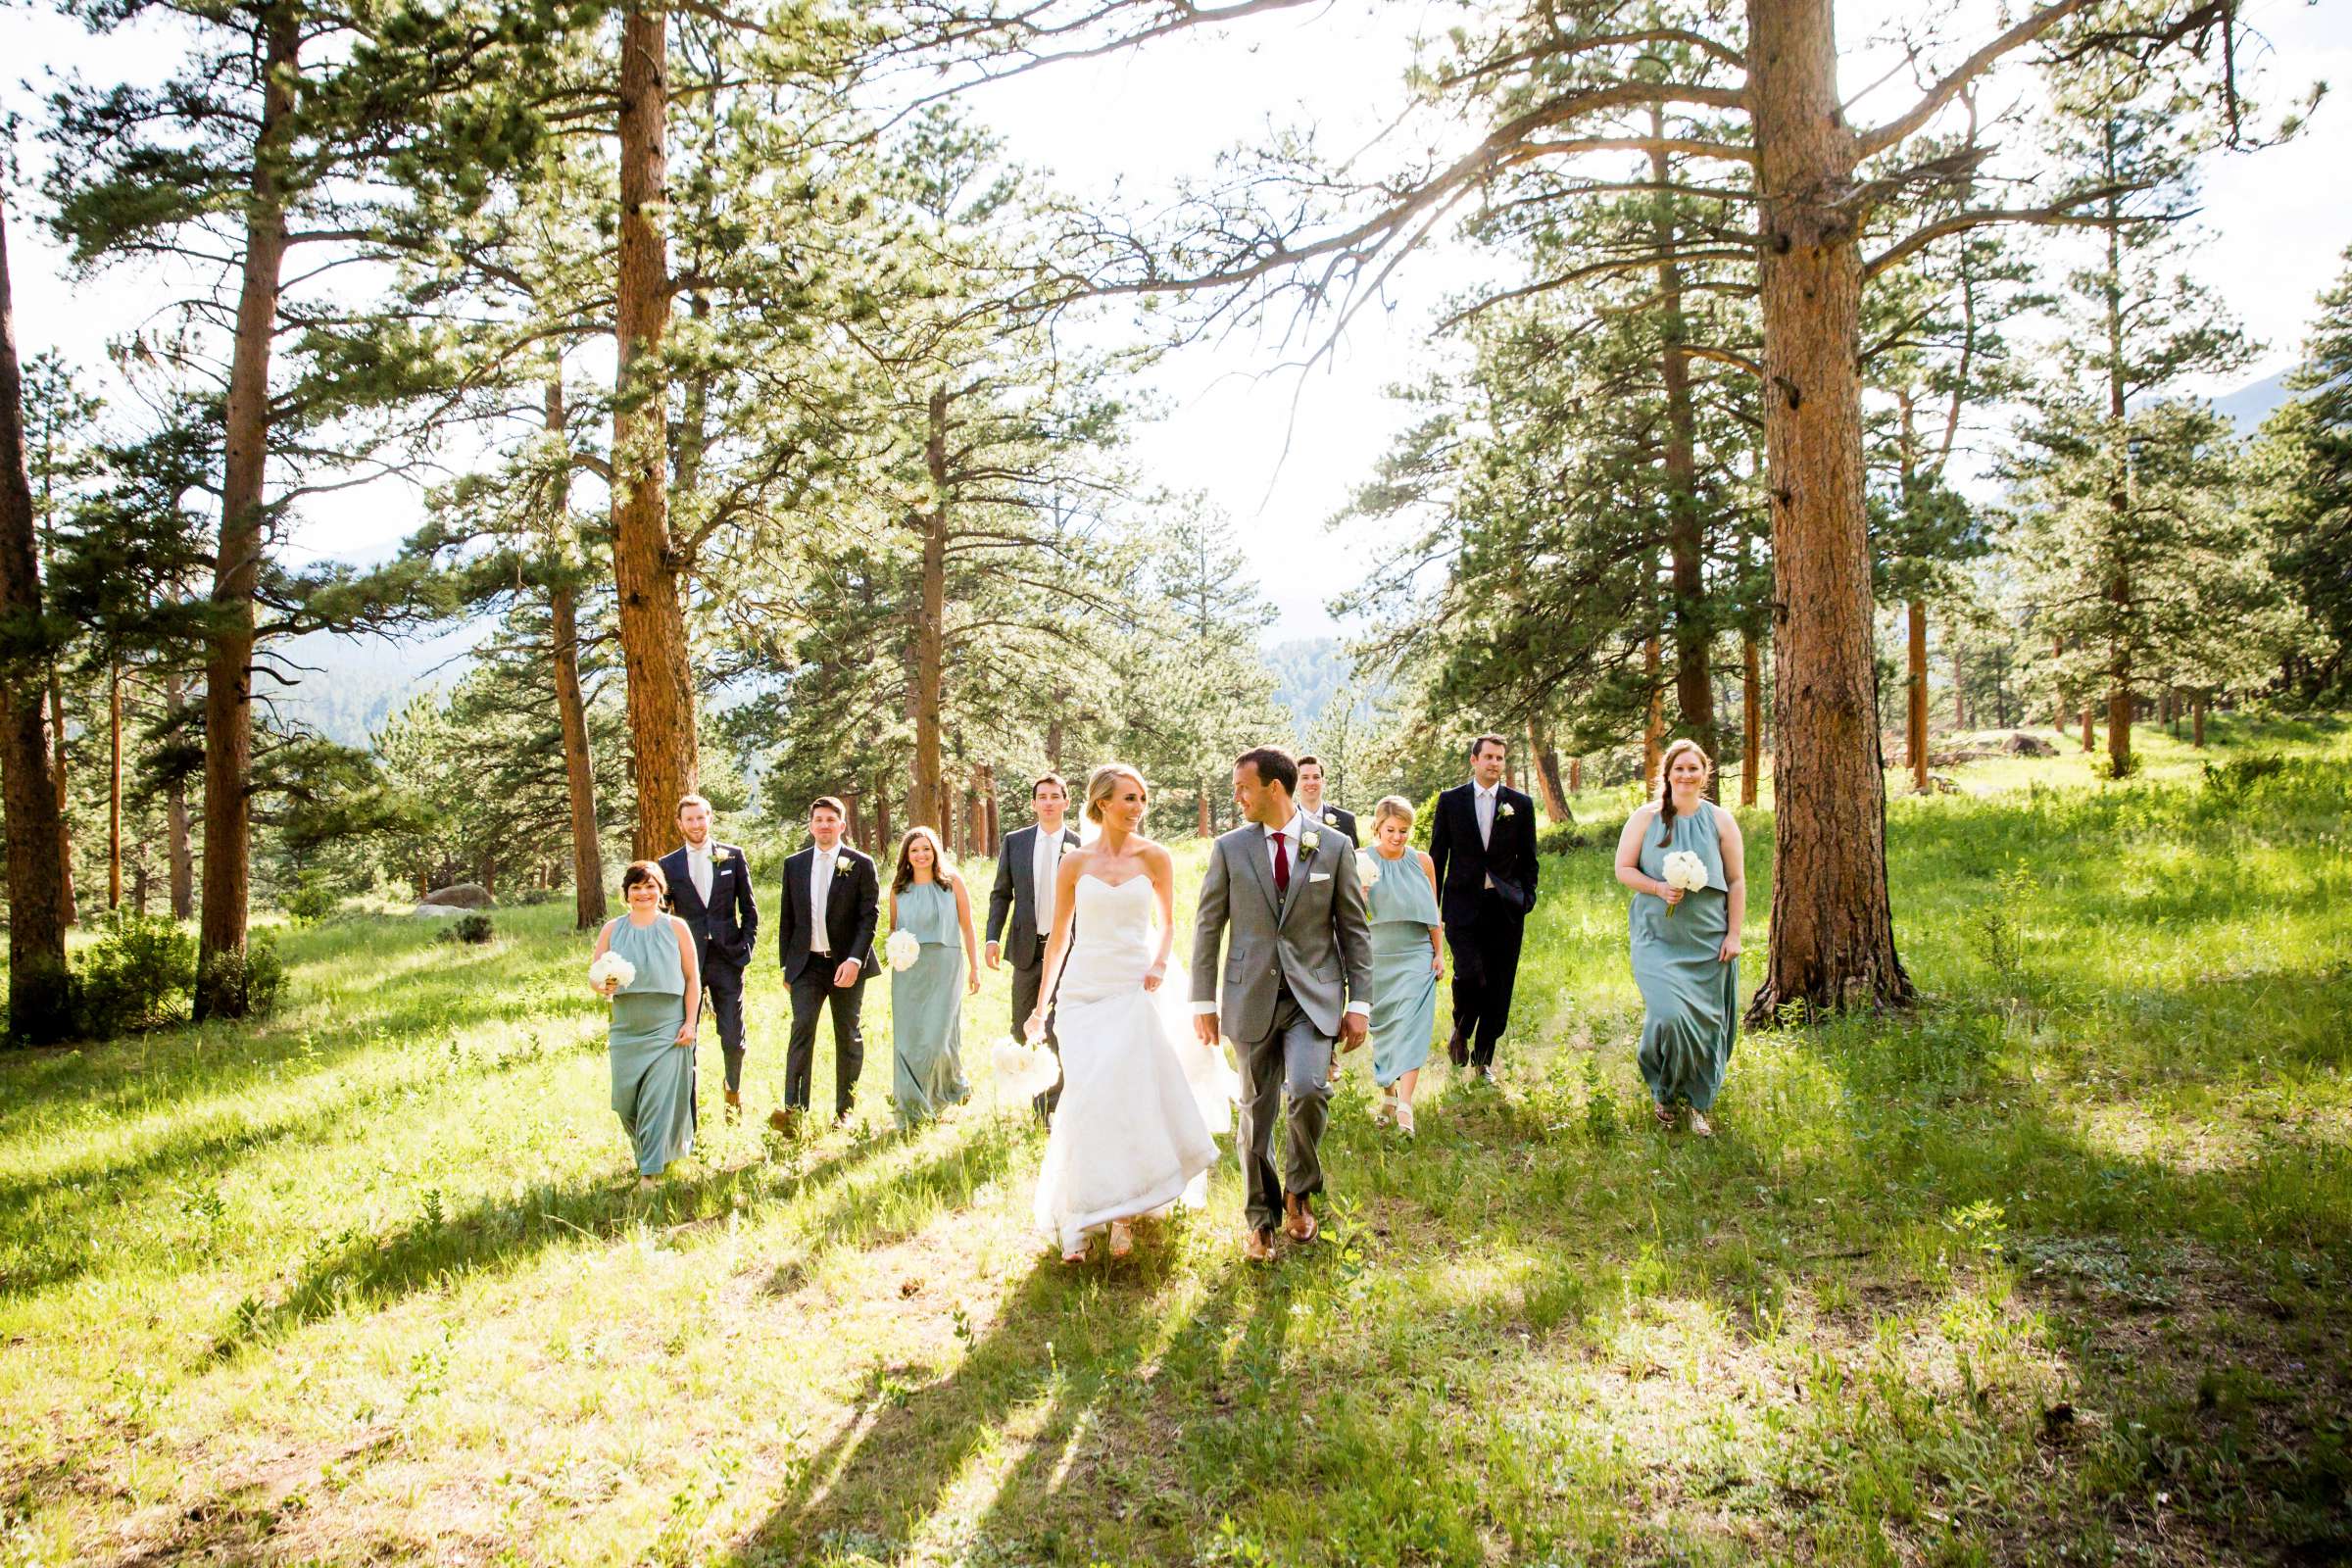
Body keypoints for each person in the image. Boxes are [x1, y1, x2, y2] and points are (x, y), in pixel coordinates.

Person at [1028, 763, 1235, 1264]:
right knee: (1083, 1097)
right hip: (1082, 992)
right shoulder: (1074, 862)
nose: (1138, 808)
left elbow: (1168, 925)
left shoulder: (1155, 857)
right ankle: (1076, 1218)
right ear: (1101, 803)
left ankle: (1123, 1216)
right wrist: (1041, 1007)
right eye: (1128, 799)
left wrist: (1160, 961)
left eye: (1142, 799)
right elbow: (1059, 937)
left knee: (1124, 1096)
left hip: (1132, 987)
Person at [1192, 746, 1374, 1262]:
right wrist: (1202, 1000)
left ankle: (1299, 1191)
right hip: (1249, 998)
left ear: (1275, 787)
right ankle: (1261, 1220)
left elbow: (1354, 931)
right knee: (1255, 1110)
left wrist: (1360, 1003)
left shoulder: (1333, 847)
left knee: (1311, 1091)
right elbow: (1208, 925)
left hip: (1313, 997)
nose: (1238, 797)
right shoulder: (1230, 848)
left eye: (1244, 787)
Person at [1613, 738, 1745, 1136]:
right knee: (1669, 1016)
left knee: (1705, 1024)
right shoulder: (1645, 817)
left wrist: (1734, 934)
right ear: (1667, 775)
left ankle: (1696, 1104)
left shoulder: (1721, 820)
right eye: (1679, 769)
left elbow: (1737, 881)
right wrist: (1657, 888)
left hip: (1707, 938)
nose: (1686, 775)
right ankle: (1663, 1085)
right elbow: (1623, 869)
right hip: (1657, 937)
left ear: (1705, 773)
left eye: (1694, 768)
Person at [1428, 733, 1540, 1081]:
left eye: (1500, 758)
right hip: (1461, 906)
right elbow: (1437, 856)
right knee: (1471, 976)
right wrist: (1433, 908)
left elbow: (1529, 860)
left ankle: (1484, 1059)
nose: (1494, 763)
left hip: (1505, 907)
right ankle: (1461, 1029)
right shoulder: (1451, 801)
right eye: (1488, 757)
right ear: (1473, 760)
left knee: (1499, 985)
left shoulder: (1519, 804)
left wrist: (1526, 897)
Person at [589, 861, 701, 1188]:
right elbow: (595, 977)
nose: (643, 893)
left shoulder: (676, 927)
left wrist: (690, 1023)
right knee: (625, 1105)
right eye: (636, 888)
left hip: (668, 1026)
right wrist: (603, 986)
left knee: (656, 1101)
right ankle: (651, 1153)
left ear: (661, 890)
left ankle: (649, 1175)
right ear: (626, 893)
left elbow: (693, 979)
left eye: (650, 886)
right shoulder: (612, 929)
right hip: (626, 1028)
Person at [773, 797, 880, 1131]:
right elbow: (787, 918)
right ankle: (794, 1113)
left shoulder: (860, 863)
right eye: (818, 819)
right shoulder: (795, 864)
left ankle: (845, 1111)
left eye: (830, 820)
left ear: (842, 825)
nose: (823, 825)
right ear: (810, 825)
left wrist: (854, 959)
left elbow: (869, 916)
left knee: (847, 1034)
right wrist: (787, 968)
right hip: (806, 965)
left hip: (846, 964)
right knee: (801, 1030)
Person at [984, 773, 1082, 1121]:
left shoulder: (1081, 846)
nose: (1049, 802)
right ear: (1034, 803)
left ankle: (1053, 1107)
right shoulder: (1016, 842)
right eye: (1043, 796)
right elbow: (1001, 893)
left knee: (1060, 1025)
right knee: (1022, 1024)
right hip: (1027, 948)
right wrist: (992, 937)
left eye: (1056, 796)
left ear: (1067, 802)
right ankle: (1038, 1093)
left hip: (1069, 952)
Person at [659, 793, 758, 1120]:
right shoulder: (667, 865)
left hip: (728, 959)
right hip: (688, 962)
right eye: (689, 819)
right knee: (688, 1038)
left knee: (733, 1036)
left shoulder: (732, 856)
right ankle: (689, 1115)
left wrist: (745, 949)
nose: (696, 824)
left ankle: (733, 1093)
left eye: (701, 818)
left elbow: (750, 910)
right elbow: (662, 914)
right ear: (680, 824)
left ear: (710, 818)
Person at [887, 826, 981, 1130]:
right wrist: (896, 953)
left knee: (938, 1036)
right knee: (909, 1037)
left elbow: (967, 927)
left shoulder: (952, 883)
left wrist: (975, 967)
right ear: (907, 855)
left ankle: (948, 1087)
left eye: (926, 849)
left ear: (935, 851)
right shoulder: (898, 888)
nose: (921, 854)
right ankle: (913, 1103)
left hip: (945, 964)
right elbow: (893, 930)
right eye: (914, 850)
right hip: (909, 971)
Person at [1362, 795, 1442, 1136]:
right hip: (1376, 956)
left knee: (1412, 1026)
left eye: (1404, 831)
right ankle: (1389, 1096)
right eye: (1391, 830)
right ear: (1378, 827)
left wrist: (1439, 954)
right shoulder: (1359, 860)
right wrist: (1361, 894)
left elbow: (1433, 913)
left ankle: (1406, 1105)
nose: (1397, 837)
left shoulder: (1422, 862)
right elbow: (1349, 915)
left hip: (1416, 953)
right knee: (1385, 1028)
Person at [1295, 756, 1357, 845]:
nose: (1311, 782)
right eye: (1305, 777)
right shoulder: (1287, 821)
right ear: (1296, 783)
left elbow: (1353, 857)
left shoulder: (1346, 820)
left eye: (1316, 777)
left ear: (1323, 781)